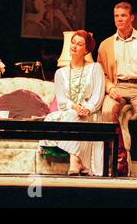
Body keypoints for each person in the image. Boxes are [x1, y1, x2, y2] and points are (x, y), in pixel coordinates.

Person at [97, 2, 137, 178]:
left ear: (132, 18)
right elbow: (101, 73)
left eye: (123, 15)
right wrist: (109, 88)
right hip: (118, 87)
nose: (119, 19)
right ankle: (120, 161)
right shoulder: (105, 44)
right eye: (116, 16)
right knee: (108, 110)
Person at [40, 30, 105, 176]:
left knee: (75, 116)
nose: (74, 46)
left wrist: (87, 109)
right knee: (66, 116)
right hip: (70, 111)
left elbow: (98, 95)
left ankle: (75, 161)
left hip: (90, 113)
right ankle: (77, 160)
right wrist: (75, 107)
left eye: (79, 44)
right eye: (73, 43)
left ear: (86, 50)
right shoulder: (60, 73)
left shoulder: (95, 68)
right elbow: (62, 101)